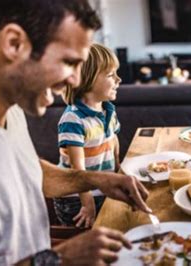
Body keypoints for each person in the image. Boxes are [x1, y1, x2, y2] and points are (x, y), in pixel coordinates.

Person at [0, 0, 151, 265]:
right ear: (13, 44)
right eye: (69, 61)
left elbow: (29, 172)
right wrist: (60, 258)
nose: (76, 80)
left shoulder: (11, 110)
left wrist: (96, 179)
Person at [54, 43, 122, 228]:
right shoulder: (73, 119)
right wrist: (88, 203)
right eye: (110, 75)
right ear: (87, 79)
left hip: (101, 189)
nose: (119, 79)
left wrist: (117, 168)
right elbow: (78, 169)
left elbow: (112, 139)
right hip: (77, 199)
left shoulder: (107, 109)